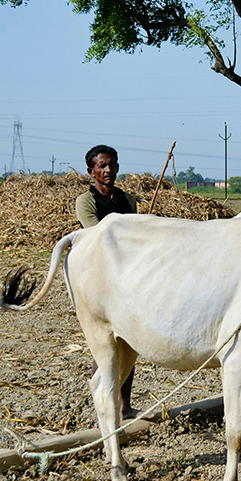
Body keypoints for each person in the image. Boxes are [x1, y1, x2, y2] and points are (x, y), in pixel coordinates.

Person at [76, 145, 141, 420]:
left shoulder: (128, 200)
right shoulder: (86, 202)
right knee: (104, 345)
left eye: (111, 165)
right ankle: (104, 407)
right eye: (101, 166)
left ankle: (124, 406)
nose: (108, 171)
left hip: (128, 277)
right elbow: (96, 237)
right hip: (99, 278)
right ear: (91, 171)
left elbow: (138, 235)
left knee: (129, 342)